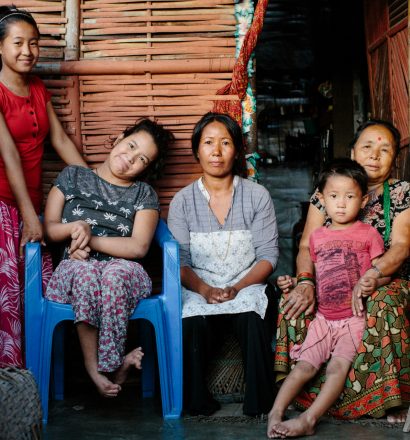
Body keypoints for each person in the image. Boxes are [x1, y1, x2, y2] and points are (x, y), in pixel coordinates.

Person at [274, 119, 410, 423]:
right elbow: (308, 248)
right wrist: (306, 282)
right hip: (330, 279)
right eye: (367, 146)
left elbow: (400, 247)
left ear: (395, 159)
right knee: (294, 301)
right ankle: (303, 393)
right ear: (352, 151)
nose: (375, 154)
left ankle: (389, 398)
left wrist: (373, 275)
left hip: (385, 280)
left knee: (382, 302)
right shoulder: (327, 193)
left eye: (384, 149)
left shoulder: (402, 192)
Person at [44, 119, 173, 397]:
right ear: (117, 138)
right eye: (131, 146)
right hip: (74, 267)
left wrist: (90, 239)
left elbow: (139, 247)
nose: (130, 159)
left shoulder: (143, 194)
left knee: (112, 273)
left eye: (142, 159)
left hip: (126, 272)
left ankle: (110, 368)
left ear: (146, 169)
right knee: (86, 273)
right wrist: (75, 229)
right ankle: (98, 370)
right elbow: (50, 227)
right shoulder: (73, 177)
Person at [168, 112, 279, 416]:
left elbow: (269, 255)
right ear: (196, 150)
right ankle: (196, 401)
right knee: (191, 321)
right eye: (208, 143)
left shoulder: (256, 196)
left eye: (225, 143)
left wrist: (237, 287)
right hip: (199, 283)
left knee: (251, 316)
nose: (216, 151)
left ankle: (259, 404)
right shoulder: (183, 201)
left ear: (238, 150)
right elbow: (179, 262)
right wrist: (204, 289)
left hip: (246, 281)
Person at [267, 158, 387, 438]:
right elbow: (317, 276)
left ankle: (309, 418)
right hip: (323, 321)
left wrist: (371, 281)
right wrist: (295, 282)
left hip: (353, 320)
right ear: (321, 199)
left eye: (350, 196)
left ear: (363, 199)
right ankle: (275, 412)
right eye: (333, 196)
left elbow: (381, 272)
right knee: (304, 367)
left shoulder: (369, 234)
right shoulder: (317, 237)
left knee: (336, 368)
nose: (341, 204)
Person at [0, 5, 88, 367]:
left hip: (29, 207)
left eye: (33, 43)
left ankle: (32, 378)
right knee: (8, 297)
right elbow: (8, 154)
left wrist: (97, 185)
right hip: (5, 206)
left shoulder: (36, 87)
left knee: (37, 293)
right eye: (18, 43)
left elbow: (61, 142)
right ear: (0, 47)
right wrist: (27, 215)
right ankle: (11, 380)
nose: (27, 51)